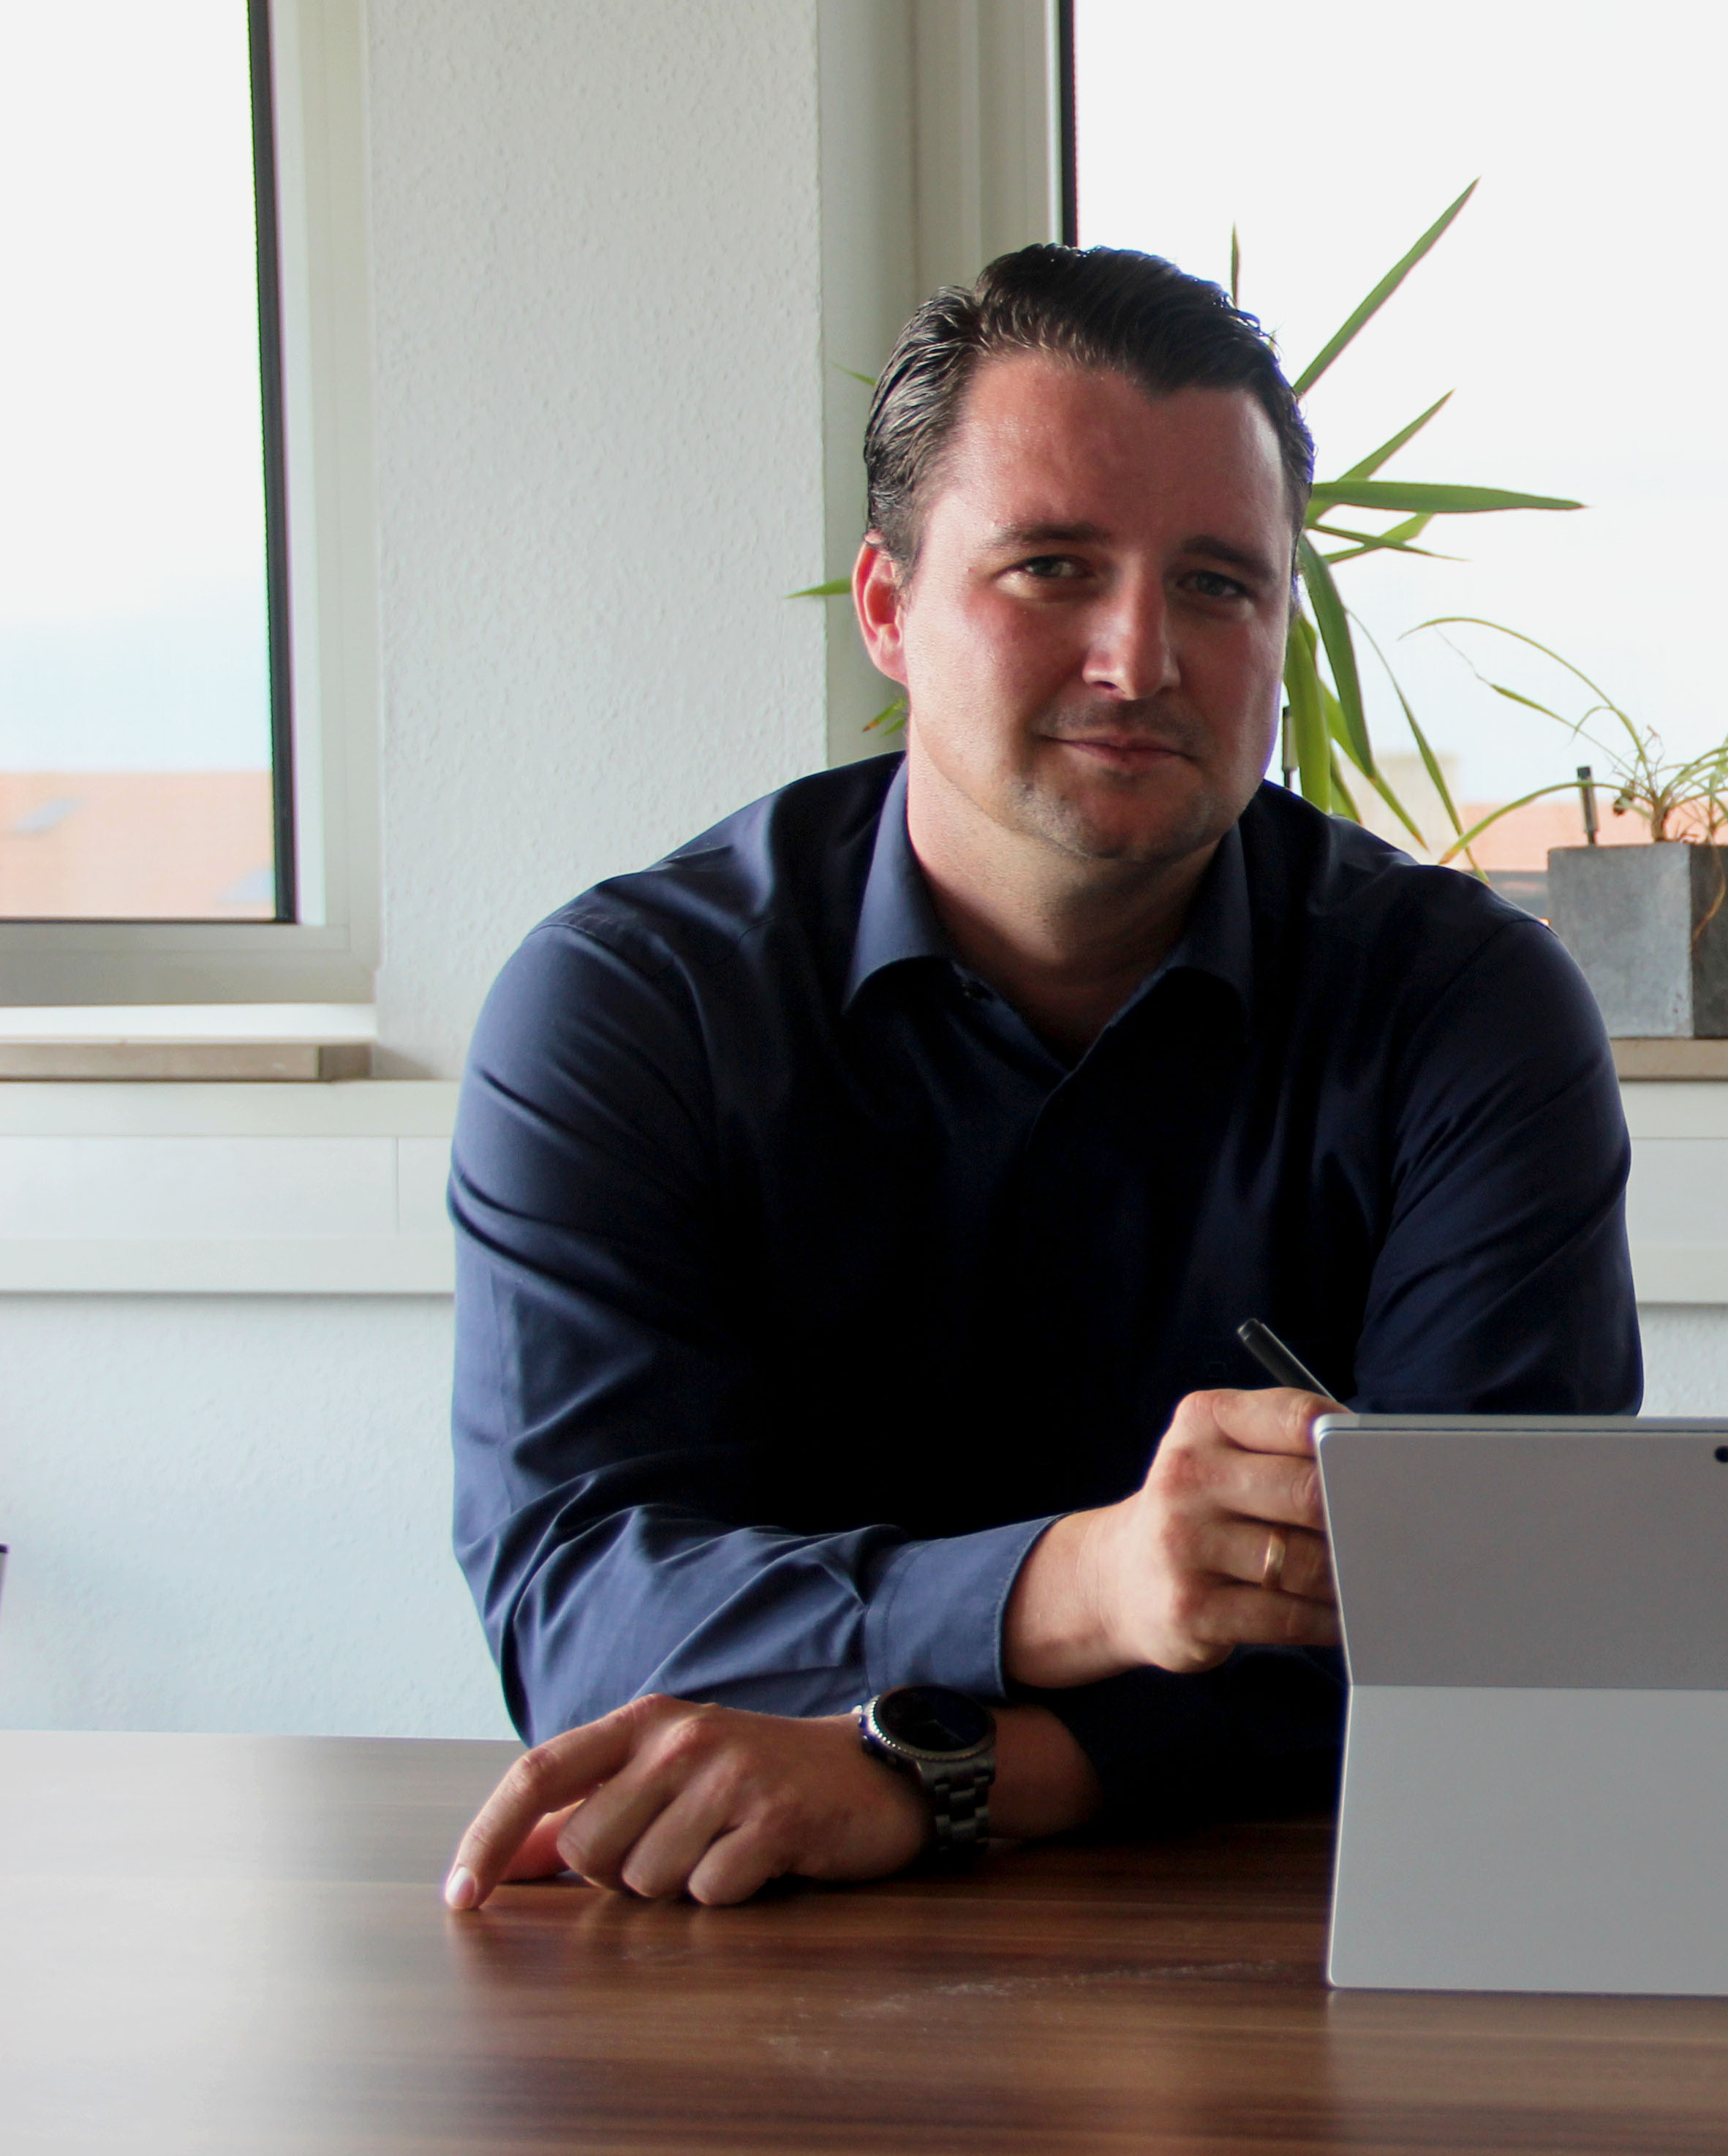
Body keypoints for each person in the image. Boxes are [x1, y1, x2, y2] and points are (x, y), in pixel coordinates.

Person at [441, 246, 1637, 1910]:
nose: (1138, 657)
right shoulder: (630, 1010)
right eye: (1053, 566)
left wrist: (950, 1781)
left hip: (1306, 1973)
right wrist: (1074, 1589)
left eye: (1219, 584)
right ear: (887, 609)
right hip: (741, 1975)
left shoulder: (1462, 1009)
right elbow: (587, 1610)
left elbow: (1507, 1626)